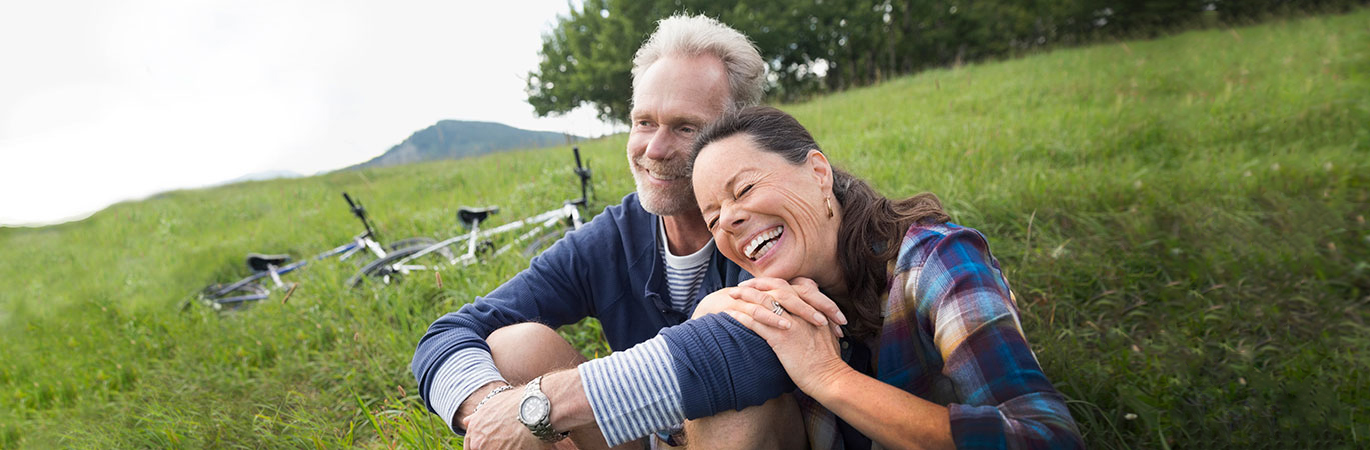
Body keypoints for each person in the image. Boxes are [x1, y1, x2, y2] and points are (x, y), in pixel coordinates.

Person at [410, 15, 827, 450]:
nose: (654, 149)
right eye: (644, 122)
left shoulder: (768, 221)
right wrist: (494, 406)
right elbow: (449, 333)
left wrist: (544, 404)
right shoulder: (613, 236)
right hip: (644, 436)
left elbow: (759, 352)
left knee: (737, 407)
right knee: (515, 346)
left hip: (747, 431)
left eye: (686, 127)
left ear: (737, 131)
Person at [671, 106, 1085, 448]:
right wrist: (710, 322)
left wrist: (829, 377)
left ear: (818, 173)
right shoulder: (775, 304)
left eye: (742, 190)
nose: (729, 219)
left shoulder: (935, 260)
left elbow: (1046, 439)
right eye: (712, 219)